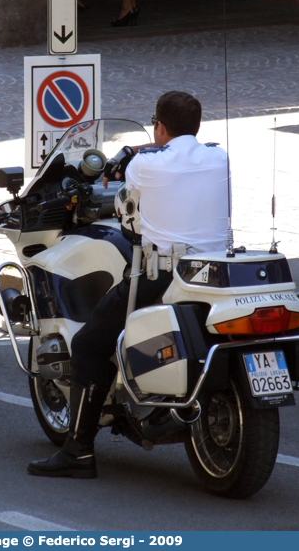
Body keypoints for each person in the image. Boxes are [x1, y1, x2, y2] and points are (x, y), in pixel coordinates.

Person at [27, 91, 230, 479]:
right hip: (212, 271)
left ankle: (79, 451)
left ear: (160, 126)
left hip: (162, 274)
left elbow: (130, 180)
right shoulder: (219, 157)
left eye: (155, 122)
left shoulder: (145, 166)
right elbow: (173, 155)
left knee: (89, 344)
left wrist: (128, 153)